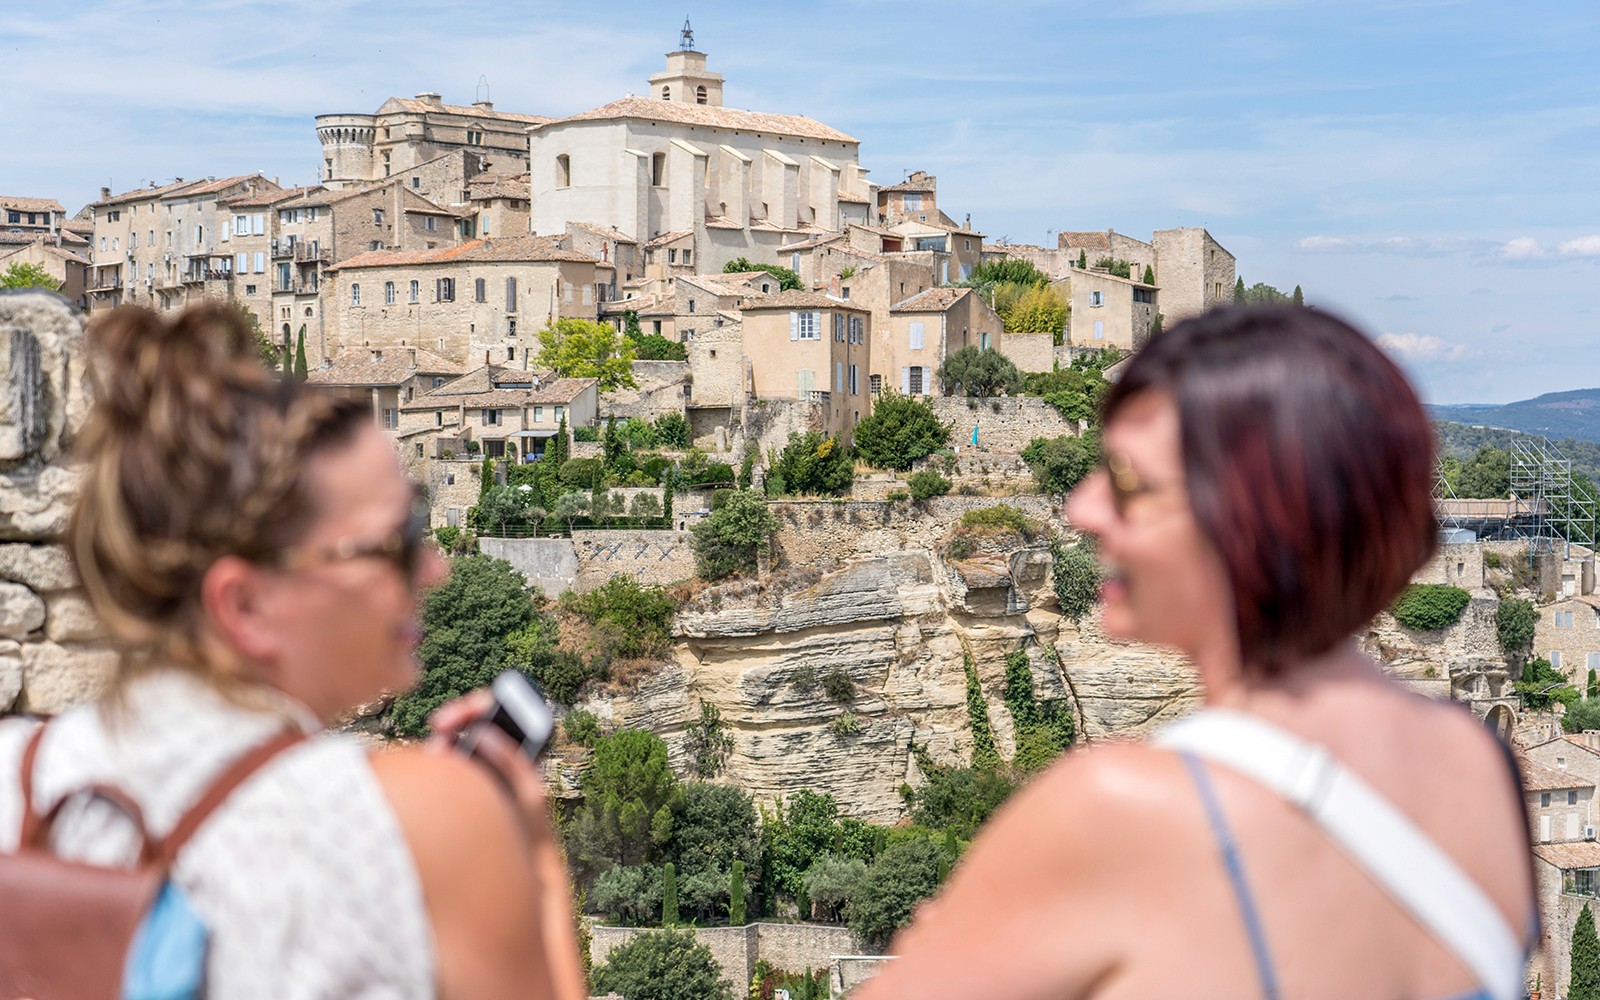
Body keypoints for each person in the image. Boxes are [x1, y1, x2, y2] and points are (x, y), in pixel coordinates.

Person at [855, 306, 1535, 1000]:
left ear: (1253, 518)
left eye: (1128, 484)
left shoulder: (1119, 809)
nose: (1083, 510)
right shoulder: (1479, 765)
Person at [0, 305, 586, 1000]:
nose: (433, 570)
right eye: (392, 543)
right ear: (244, 605)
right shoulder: (433, 819)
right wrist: (533, 853)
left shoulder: (16, 773)